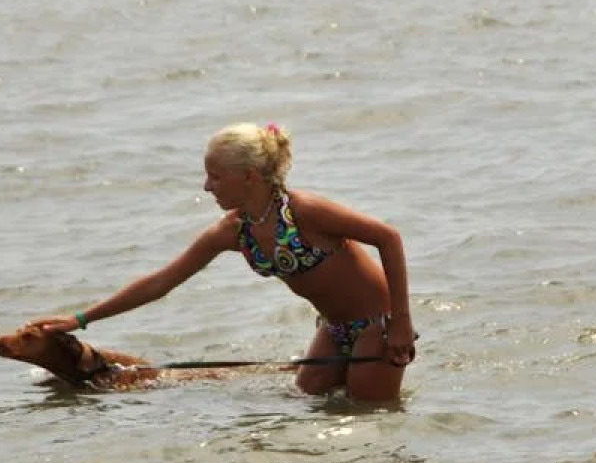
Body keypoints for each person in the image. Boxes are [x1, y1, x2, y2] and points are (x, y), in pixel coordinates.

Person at [26, 123, 418, 401]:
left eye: (215, 177)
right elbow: (160, 283)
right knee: (307, 399)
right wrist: (80, 319)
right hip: (334, 329)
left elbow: (389, 237)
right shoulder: (233, 232)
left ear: (248, 177)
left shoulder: (305, 211)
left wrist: (400, 323)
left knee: (369, 418)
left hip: (378, 326)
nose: (206, 186)